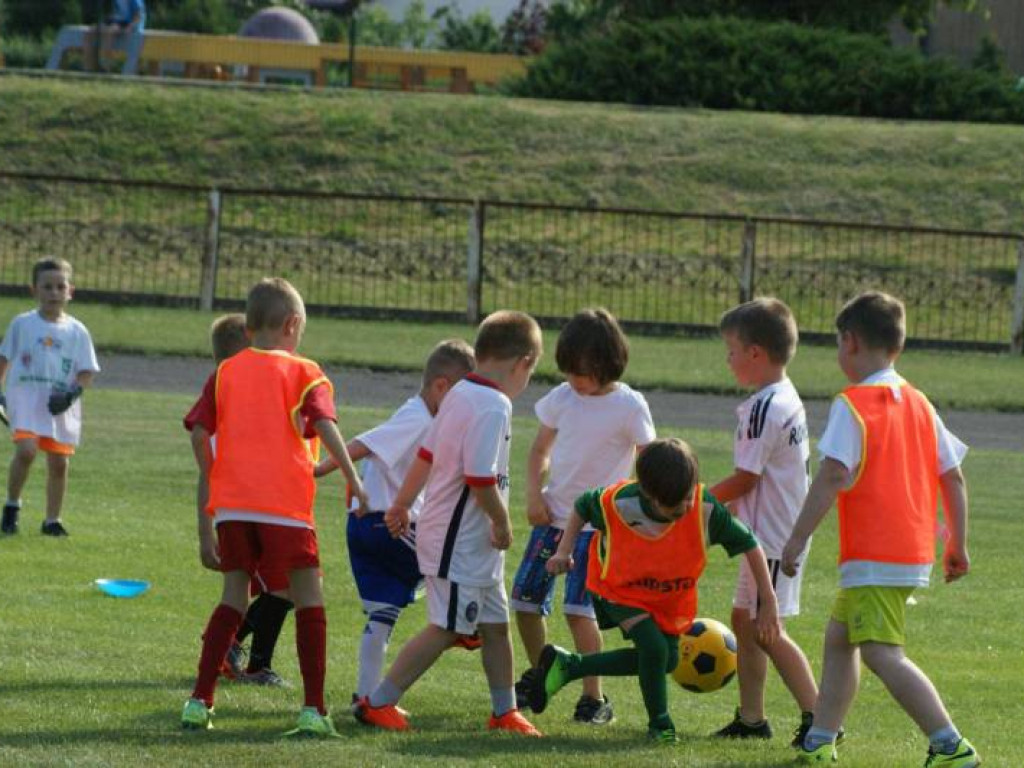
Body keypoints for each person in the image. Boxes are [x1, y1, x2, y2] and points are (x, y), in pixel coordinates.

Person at [781, 291, 980, 767]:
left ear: (849, 342)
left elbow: (831, 475)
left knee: (881, 653)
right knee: (838, 638)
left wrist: (797, 537)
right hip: (906, 552)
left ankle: (950, 745)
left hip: (875, 555)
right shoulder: (919, 403)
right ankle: (820, 740)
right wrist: (958, 543)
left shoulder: (855, 405)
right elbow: (952, 475)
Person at [181, 277, 369, 737]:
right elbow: (322, 422)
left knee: (233, 598)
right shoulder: (305, 371)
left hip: (233, 506)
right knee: (309, 599)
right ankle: (313, 709)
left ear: (248, 328)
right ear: (293, 323)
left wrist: (217, 473)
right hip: (284, 506)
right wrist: (353, 478)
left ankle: (199, 701)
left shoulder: (225, 371)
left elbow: (199, 431)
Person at [354, 310, 544, 737]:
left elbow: (427, 453)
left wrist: (402, 503)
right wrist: (502, 522)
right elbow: (479, 477)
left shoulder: (459, 394)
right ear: (524, 362)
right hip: (460, 542)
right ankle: (379, 702)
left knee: (495, 626)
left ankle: (504, 711)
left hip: (468, 543)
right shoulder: (493, 405)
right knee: (448, 627)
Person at [531, 438, 782, 744]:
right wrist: (564, 551)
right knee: (654, 648)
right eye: (672, 505)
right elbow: (583, 505)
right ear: (648, 494)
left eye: (687, 499)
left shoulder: (704, 508)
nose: (682, 510)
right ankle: (660, 725)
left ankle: (569, 666)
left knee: (668, 662)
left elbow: (750, 545)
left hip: (667, 598)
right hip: (617, 588)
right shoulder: (621, 502)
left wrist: (768, 601)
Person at [313, 338, 476, 709]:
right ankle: (468, 624)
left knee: (381, 615)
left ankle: (364, 697)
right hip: (387, 527)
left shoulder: (418, 415)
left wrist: (354, 493)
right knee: (453, 566)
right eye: (462, 399)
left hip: (363, 528)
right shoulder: (418, 418)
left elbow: (379, 457)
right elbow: (364, 444)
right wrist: (321, 468)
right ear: (441, 387)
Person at [512, 308, 655, 725]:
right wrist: (534, 495)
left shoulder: (630, 406)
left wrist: (633, 512)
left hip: (597, 530)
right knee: (524, 601)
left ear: (609, 364)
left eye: (584, 371)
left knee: (579, 612)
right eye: (569, 370)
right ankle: (542, 673)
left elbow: (650, 460)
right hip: (552, 521)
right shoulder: (562, 397)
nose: (575, 379)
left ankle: (594, 699)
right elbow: (539, 450)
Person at [710, 298, 822, 746]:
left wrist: (688, 500)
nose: (728, 358)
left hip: (772, 538)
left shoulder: (763, 408)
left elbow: (745, 478)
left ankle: (820, 717)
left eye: (732, 349)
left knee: (767, 631)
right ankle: (752, 720)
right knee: (743, 619)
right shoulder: (783, 395)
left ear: (755, 353)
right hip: (768, 533)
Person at [183, 313, 293, 687]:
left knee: (269, 589)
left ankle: (230, 649)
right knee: (283, 588)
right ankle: (244, 657)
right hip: (250, 517)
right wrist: (204, 535)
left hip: (257, 513)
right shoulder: (227, 406)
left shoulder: (235, 405)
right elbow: (206, 473)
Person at [0, 257, 100, 537]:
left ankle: (52, 520)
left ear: (71, 291)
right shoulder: (23, 324)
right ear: (34, 290)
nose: (54, 292)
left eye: (60, 286)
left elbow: (86, 372)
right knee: (27, 451)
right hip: (26, 398)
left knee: (58, 462)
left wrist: (71, 393)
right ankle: (11, 506)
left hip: (58, 405)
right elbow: (4, 359)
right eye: (47, 287)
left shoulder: (77, 331)